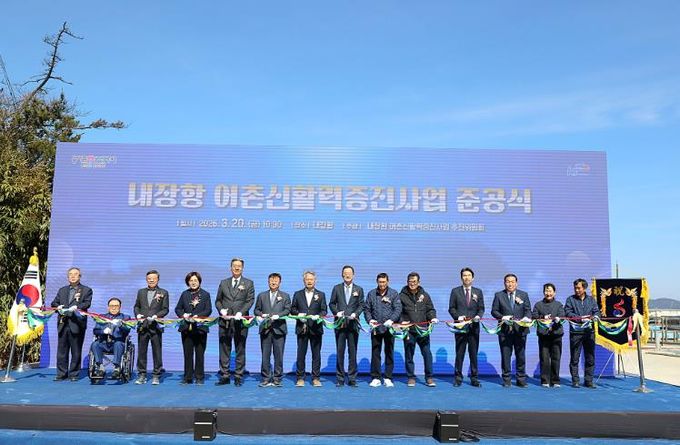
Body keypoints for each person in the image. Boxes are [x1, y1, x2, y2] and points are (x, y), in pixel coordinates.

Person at [215, 258, 255, 387]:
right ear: (230, 268)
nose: (237, 268)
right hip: (225, 321)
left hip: (240, 322)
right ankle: (225, 375)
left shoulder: (248, 283)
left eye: (239, 266)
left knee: (240, 348)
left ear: (242, 268)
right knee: (224, 349)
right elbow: (218, 300)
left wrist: (241, 312)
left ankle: (238, 376)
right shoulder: (223, 283)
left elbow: (250, 300)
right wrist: (221, 310)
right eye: (234, 266)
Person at [50, 267, 93, 381]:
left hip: (77, 324)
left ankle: (74, 374)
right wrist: (58, 307)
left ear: (80, 276)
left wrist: (77, 307)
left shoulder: (86, 290)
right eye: (70, 274)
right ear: (68, 277)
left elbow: (87, 304)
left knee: (76, 350)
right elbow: (54, 303)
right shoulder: (62, 290)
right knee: (61, 351)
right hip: (63, 323)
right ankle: (61, 373)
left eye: (75, 274)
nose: (73, 276)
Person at [491, 273, 532, 387]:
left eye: (512, 281)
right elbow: (494, 311)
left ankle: (521, 379)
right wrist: (502, 317)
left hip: (521, 330)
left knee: (521, 356)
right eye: (508, 281)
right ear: (504, 283)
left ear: (516, 283)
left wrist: (526, 317)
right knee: (505, 356)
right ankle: (506, 379)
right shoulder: (499, 295)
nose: (510, 284)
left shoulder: (523, 295)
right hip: (504, 331)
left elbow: (528, 310)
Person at [399, 272, 439, 387]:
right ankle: (411, 377)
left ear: (419, 282)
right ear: (407, 282)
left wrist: (433, 317)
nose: (412, 284)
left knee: (427, 353)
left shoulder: (425, 295)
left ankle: (429, 377)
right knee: (409, 354)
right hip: (409, 330)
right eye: (410, 281)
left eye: (414, 281)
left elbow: (430, 310)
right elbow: (398, 311)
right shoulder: (401, 296)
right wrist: (402, 320)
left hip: (423, 330)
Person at [328, 265, 364, 387]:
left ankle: (352, 378)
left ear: (353, 275)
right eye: (345, 273)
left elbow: (361, 305)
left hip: (353, 325)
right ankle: (340, 378)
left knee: (352, 352)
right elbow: (331, 303)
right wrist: (336, 312)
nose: (347, 275)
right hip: (340, 325)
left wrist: (356, 314)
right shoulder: (336, 288)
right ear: (342, 275)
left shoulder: (359, 289)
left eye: (349, 273)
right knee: (340, 352)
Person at [364, 272, 402, 388]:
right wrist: (370, 320)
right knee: (375, 352)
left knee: (389, 352)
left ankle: (388, 377)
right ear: (377, 282)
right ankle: (376, 377)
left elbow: (398, 309)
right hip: (376, 328)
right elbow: (367, 309)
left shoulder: (393, 293)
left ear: (388, 282)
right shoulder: (371, 294)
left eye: (384, 282)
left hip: (389, 328)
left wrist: (392, 320)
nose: (382, 284)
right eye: (380, 282)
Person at [448, 267, 485, 387]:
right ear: (461, 278)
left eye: (469, 275)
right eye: (464, 275)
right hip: (460, 327)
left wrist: (478, 316)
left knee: (473, 354)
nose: (466, 277)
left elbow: (481, 308)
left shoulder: (478, 292)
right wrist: (457, 317)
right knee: (459, 354)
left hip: (474, 328)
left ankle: (474, 378)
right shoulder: (455, 291)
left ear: (473, 278)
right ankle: (458, 378)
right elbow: (451, 308)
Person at [174, 271, 212, 385]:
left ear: (199, 281)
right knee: (188, 354)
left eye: (195, 280)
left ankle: (199, 377)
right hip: (186, 328)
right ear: (187, 282)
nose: (193, 282)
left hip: (200, 328)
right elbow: (178, 309)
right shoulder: (184, 294)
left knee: (200, 353)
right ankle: (188, 377)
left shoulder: (205, 294)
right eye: (191, 281)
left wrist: (198, 316)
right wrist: (183, 315)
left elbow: (208, 310)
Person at [291, 271, 327, 387]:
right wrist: (299, 314)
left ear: (315, 281)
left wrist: (319, 316)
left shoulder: (321, 294)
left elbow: (324, 310)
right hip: (302, 328)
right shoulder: (297, 294)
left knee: (316, 355)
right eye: (307, 279)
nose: (309, 281)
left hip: (316, 328)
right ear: (304, 281)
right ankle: (300, 378)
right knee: (301, 354)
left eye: (311, 279)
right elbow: (293, 309)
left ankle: (316, 378)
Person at [254, 273, 291, 387]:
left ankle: (277, 378)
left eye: (276, 281)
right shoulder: (261, 295)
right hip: (265, 329)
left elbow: (287, 310)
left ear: (280, 283)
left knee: (279, 355)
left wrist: (278, 315)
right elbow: (256, 310)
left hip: (279, 329)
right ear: (268, 282)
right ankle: (265, 378)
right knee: (265, 355)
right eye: (271, 280)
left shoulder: (285, 296)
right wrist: (262, 314)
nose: (273, 282)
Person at [133, 270, 170, 385]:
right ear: (146, 279)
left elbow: (165, 309)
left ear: (158, 279)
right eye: (149, 278)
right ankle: (142, 374)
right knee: (141, 351)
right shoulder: (141, 292)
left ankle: (156, 375)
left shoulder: (163, 292)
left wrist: (156, 316)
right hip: (143, 326)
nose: (151, 280)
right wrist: (137, 314)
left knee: (157, 352)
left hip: (156, 326)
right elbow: (136, 306)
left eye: (154, 278)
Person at [564, 278, 601, 389]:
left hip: (589, 332)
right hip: (576, 332)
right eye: (575, 288)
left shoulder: (591, 300)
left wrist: (596, 316)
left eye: (579, 288)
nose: (577, 290)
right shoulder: (570, 299)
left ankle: (588, 381)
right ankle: (575, 381)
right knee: (575, 357)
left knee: (590, 357)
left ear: (584, 288)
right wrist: (580, 318)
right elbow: (567, 312)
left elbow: (597, 311)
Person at [532, 283, 566, 388]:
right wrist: (543, 317)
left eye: (550, 291)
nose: (548, 293)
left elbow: (562, 315)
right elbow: (534, 316)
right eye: (546, 291)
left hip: (556, 335)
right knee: (544, 359)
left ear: (554, 293)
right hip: (543, 336)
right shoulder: (538, 305)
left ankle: (555, 380)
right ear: (543, 292)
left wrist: (557, 318)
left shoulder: (559, 304)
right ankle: (545, 380)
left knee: (556, 358)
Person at [91, 297, 131, 379]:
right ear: (108, 307)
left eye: (116, 306)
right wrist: (103, 331)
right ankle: (100, 367)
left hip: (118, 343)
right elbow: (95, 331)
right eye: (111, 306)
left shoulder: (125, 317)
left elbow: (127, 331)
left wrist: (121, 326)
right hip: (104, 343)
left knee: (118, 344)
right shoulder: (101, 317)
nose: (113, 308)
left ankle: (117, 368)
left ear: (120, 307)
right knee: (95, 344)